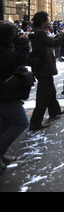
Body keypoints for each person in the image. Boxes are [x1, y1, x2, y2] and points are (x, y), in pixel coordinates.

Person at [29, 11, 64, 130]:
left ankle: (55, 111)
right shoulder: (39, 32)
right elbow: (54, 43)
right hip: (43, 67)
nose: (49, 22)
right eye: (47, 20)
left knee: (50, 90)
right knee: (43, 96)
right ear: (42, 21)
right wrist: (62, 33)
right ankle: (35, 122)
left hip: (43, 66)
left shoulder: (38, 31)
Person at [0, 21, 30, 170]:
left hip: (7, 92)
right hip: (5, 94)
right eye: (14, 34)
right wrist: (22, 43)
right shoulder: (2, 50)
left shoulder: (5, 47)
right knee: (21, 122)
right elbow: (17, 58)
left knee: (5, 123)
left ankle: (2, 154)